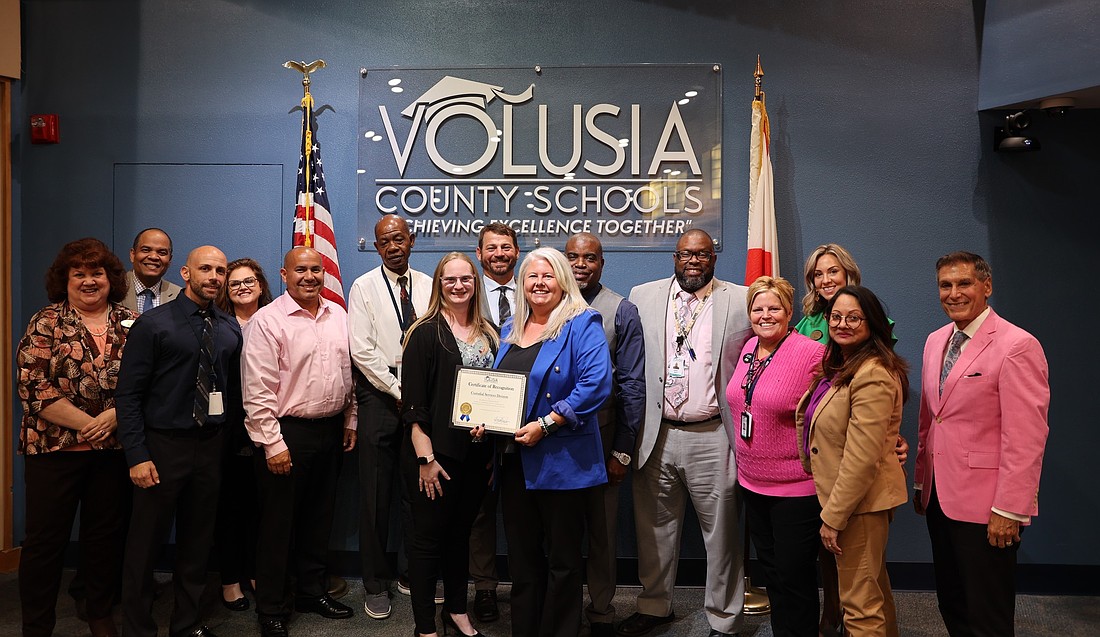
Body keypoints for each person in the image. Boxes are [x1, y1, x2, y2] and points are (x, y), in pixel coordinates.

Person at [619, 229, 752, 637]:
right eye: (685, 254)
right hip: (656, 434)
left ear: (714, 258)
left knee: (723, 533)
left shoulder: (742, 299)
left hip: (713, 434)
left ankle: (724, 618)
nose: (693, 261)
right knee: (654, 528)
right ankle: (655, 606)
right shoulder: (643, 295)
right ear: (674, 257)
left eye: (702, 254)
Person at [914, 252, 1049, 637]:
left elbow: (1027, 438)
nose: (953, 293)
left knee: (987, 613)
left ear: (986, 287)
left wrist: (1010, 508)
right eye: (945, 285)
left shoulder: (1017, 345)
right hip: (939, 498)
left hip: (988, 507)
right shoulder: (936, 340)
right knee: (952, 602)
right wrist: (922, 482)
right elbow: (930, 419)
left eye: (964, 283)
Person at [116, 246, 243, 637]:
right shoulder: (154, 325)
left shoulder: (228, 327)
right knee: (145, 546)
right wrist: (137, 455)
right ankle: (138, 628)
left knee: (196, 543)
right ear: (186, 273)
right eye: (206, 269)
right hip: (162, 447)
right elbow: (129, 395)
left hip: (209, 447)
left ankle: (186, 625)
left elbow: (232, 393)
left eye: (220, 271)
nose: (215, 277)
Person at [16, 238, 137, 637]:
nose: (89, 281)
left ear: (111, 279)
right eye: (79, 273)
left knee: (104, 539)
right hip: (54, 451)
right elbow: (33, 387)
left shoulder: (130, 322)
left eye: (97, 273)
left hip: (113, 452)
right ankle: (38, 625)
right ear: (64, 279)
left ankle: (100, 614)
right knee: (45, 543)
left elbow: (147, 384)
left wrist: (116, 416)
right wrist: (91, 424)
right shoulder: (45, 321)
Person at [242, 247, 358, 637]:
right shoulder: (267, 321)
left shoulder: (338, 315)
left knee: (318, 519)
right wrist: (272, 444)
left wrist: (350, 418)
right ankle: (271, 607)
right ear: (284, 274)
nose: (309, 276)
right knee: (278, 526)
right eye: (300, 270)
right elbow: (257, 390)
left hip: (329, 430)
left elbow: (350, 373)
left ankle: (311, 591)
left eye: (315, 270)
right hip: (286, 433)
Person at [496, 247, 612, 637]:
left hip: (563, 460)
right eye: (532, 276)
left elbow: (596, 383)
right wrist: (485, 422)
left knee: (563, 561)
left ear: (562, 281)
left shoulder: (582, 322)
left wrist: (547, 423)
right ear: (522, 283)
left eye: (548, 276)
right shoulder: (510, 328)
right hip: (515, 461)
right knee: (523, 560)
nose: (539, 283)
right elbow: (499, 389)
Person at [795, 242, 906, 637]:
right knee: (874, 592)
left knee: (859, 608)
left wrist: (833, 517)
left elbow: (861, 458)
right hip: (852, 499)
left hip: (857, 503)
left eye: (853, 319)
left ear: (872, 323)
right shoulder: (841, 364)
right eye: (837, 317)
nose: (841, 324)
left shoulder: (872, 373)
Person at [401, 252, 499, 637]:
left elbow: (496, 395)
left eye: (466, 279)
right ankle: (425, 627)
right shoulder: (423, 332)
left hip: (476, 456)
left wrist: (490, 440)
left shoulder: (489, 333)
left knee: (461, 537)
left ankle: (457, 611)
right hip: (435, 458)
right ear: (439, 285)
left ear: (475, 284)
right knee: (427, 545)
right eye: (450, 280)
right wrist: (425, 458)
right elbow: (413, 407)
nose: (459, 286)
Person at [725, 276, 825, 637]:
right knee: (772, 575)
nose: (765, 315)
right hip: (753, 482)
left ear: (789, 312)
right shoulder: (750, 348)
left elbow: (843, 404)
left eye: (774, 308)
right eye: (758, 308)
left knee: (793, 575)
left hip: (796, 487)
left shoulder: (811, 353)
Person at [347, 214, 431, 619]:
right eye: (384, 242)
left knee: (417, 491)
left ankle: (411, 573)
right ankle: (375, 582)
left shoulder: (431, 284)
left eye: (399, 239)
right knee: (375, 497)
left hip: (422, 396)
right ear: (377, 248)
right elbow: (361, 351)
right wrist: (400, 391)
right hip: (380, 396)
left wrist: (418, 394)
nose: (393, 247)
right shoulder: (363, 287)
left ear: (411, 241)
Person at [563, 232, 645, 637]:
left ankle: (600, 612)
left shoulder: (622, 310)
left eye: (590, 258)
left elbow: (632, 385)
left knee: (602, 534)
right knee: (557, 533)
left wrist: (623, 452)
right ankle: (560, 610)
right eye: (573, 257)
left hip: (602, 439)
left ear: (601, 263)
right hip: (553, 443)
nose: (581, 264)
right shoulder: (543, 304)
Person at [213, 258, 274, 611]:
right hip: (228, 427)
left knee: (262, 507)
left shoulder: (274, 318)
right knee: (230, 507)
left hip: (267, 425)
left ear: (261, 284)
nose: (242, 287)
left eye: (248, 281)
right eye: (234, 283)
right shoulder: (218, 324)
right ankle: (230, 578)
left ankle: (255, 570)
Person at [469, 221, 521, 622]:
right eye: (491, 248)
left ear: (516, 252)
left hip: (527, 424)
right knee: (482, 511)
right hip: (480, 423)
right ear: (479, 253)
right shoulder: (464, 295)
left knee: (525, 509)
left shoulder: (537, 289)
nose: (499, 254)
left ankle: (525, 586)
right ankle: (484, 588)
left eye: (506, 247)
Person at [122, 228, 181, 313]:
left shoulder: (179, 296)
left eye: (162, 253)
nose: (153, 257)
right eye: (146, 250)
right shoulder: (113, 288)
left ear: (169, 260)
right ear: (132, 255)